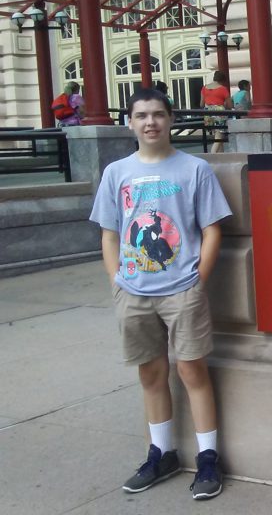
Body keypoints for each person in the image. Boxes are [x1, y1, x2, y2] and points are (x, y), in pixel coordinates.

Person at [89, 87, 233, 501]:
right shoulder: (117, 173)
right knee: (150, 374)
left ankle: (208, 458)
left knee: (191, 370)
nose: (150, 122)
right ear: (130, 123)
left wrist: (196, 280)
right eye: (141, 115)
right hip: (134, 291)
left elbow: (211, 230)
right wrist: (117, 280)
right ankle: (161, 452)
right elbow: (110, 233)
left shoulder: (194, 169)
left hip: (181, 289)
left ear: (171, 120)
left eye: (157, 114)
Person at [199, 70, 233, 154]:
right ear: (222, 80)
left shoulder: (204, 88)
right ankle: (212, 156)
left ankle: (221, 157)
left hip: (208, 113)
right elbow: (230, 106)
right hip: (220, 113)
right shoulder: (223, 89)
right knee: (219, 137)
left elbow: (201, 104)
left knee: (217, 137)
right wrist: (223, 104)